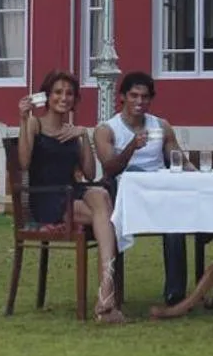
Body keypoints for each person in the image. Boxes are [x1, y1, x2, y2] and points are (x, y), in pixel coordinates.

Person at [17, 71, 127, 323]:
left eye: (68, 93)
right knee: (109, 220)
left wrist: (83, 136)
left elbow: (89, 173)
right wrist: (23, 119)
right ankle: (106, 300)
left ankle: (106, 296)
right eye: (57, 92)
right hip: (46, 198)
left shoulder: (72, 131)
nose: (63, 98)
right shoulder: (35, 124)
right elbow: (23, 162)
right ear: (47, 96)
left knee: (100, 195)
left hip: (72, 192)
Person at [94, 71, 194, 307]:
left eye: (145, 97)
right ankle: (115, 290)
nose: (139, 102)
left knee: (175, 225)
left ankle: (175, 293)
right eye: (134, 96)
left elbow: (176, 158)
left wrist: (199, 175)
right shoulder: (106, 129)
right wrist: (132, 146)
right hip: (126, 197)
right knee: (135, 175)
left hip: (160, 193)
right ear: (122, 97)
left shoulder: (161, 126)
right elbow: (109, 169)